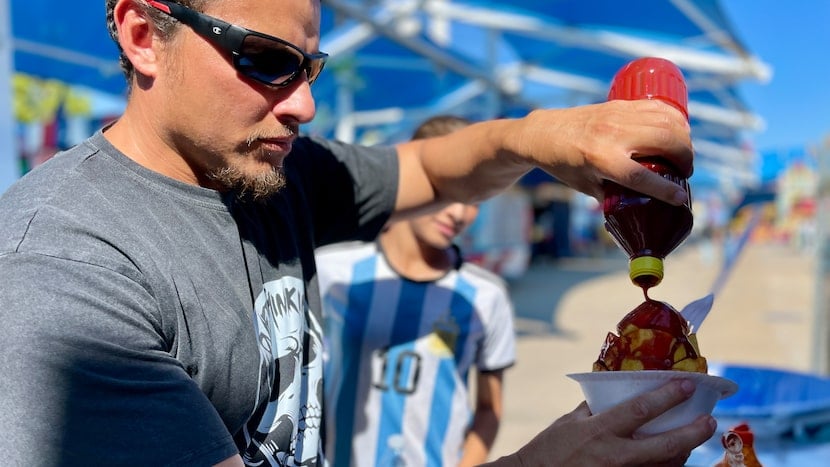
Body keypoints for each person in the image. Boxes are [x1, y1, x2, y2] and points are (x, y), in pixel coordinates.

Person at [0, 0, 713, 465]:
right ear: (142, 36)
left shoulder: (272, 173)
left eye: (309, 67)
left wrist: (544, 136)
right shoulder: (65, 271)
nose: (304, 104)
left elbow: (433, 169)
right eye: (270, 61)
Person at [317, 115, 516, 467]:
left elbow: (490, 407)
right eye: (451, 188)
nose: (458, 212)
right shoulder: (332, 271)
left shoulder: (486, 296)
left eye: (474, 198)